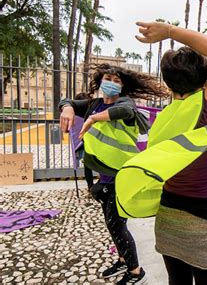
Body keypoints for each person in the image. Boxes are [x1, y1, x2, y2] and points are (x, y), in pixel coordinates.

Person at [134, 21, 207, 285]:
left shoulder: (165, 119)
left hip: (168, 217)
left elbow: (190, 155)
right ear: (205, 79)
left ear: (168, 85)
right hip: (205, 224)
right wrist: (169, 31)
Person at [58, 64, 167, 284]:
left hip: (123, 176)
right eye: (108, 79)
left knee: (116, 225)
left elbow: (126, 112)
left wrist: (93, 119)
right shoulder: (93, 104)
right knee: (114, 224)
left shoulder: (125, 103)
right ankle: (122, 259)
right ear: (100, 82)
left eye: (117, 81)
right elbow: (66, 101)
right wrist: (67, 108)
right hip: (105, 176)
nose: (112, 83)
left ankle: (136, 272)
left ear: (123, 86)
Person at [72, 92, 95, 190]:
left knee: (87, 166)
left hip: (83, 144)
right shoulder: (93, 113)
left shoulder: (74, 116)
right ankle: (98, 185)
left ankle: (90, 186)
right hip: (93, 142)